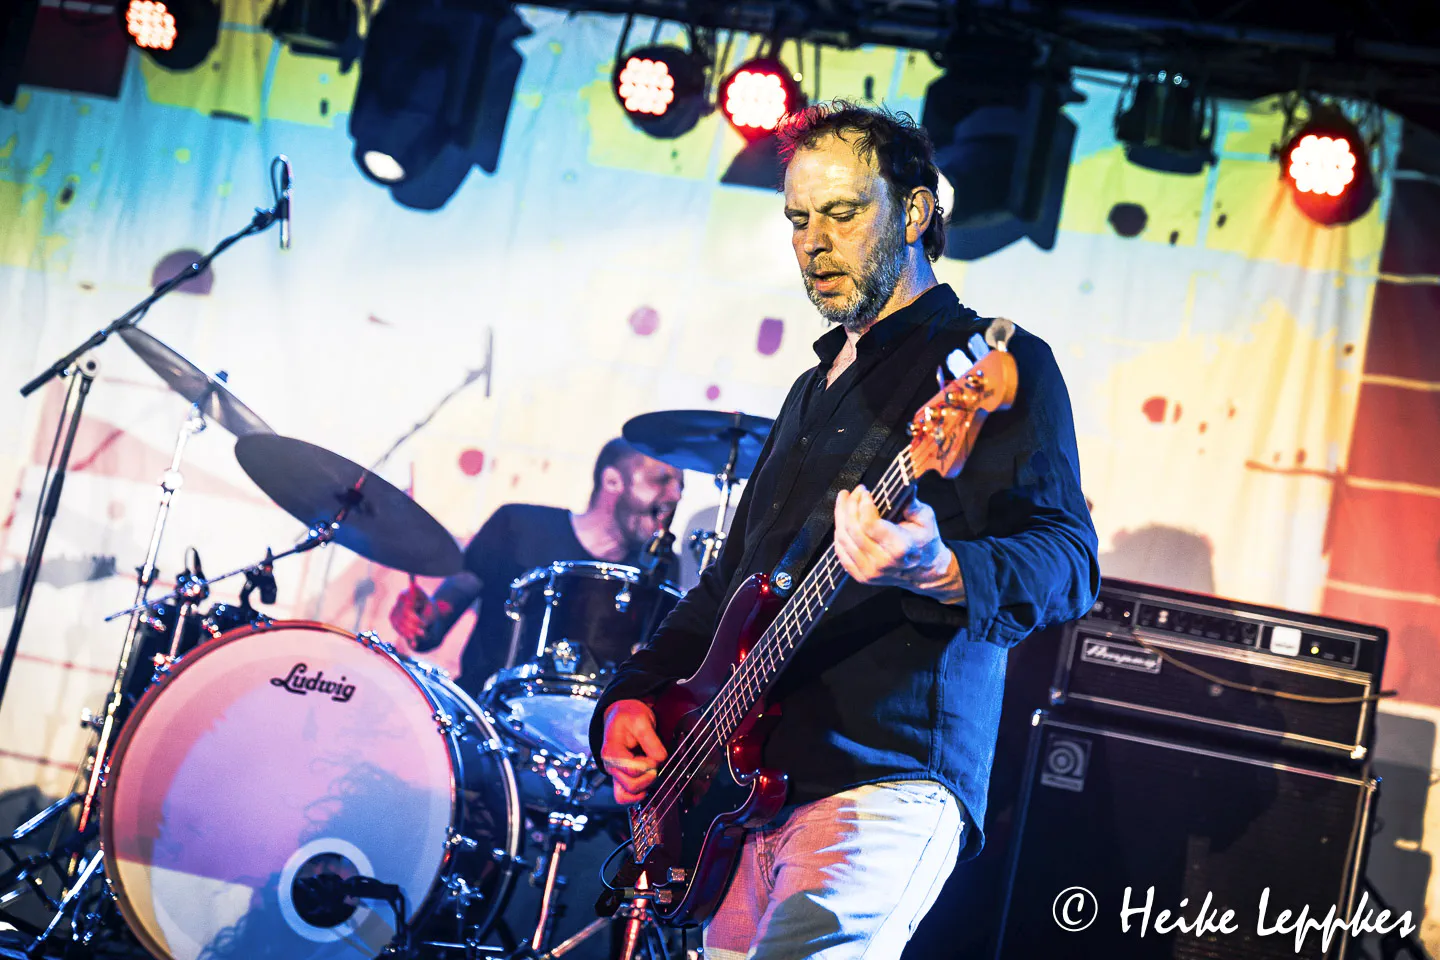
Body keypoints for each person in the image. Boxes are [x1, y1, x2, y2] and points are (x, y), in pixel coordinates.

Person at [590, 101, 1101, 960]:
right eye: (798, 219)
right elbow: (724, 592)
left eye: (842, 212)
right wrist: (630, 698)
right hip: (746, 800)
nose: (814, 243)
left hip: (881, 780)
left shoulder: (988, 365)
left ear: (915, 212)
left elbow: (1069, 561)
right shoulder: (808, 390)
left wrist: (937, 568)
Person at [391, 437, 684, 696]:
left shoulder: (661, 568)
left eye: (680, 486)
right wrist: (424, 620)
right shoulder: (517, 525)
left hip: (577, 734)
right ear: (612, 481)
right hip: (480, 715)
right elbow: (443, 612)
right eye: (661, 480)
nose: (676, 496)